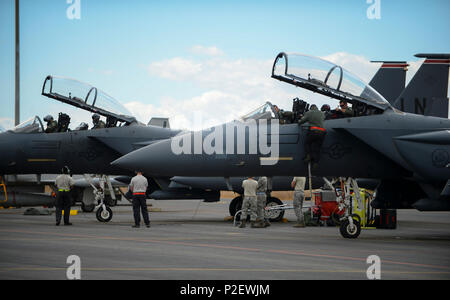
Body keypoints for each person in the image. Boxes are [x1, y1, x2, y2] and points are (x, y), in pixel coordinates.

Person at [298, 104, 326, 169]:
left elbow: (302, 121)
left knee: (307, 143)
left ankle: (308, 156)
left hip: (313, 131)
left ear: (311, 108)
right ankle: (316, 162)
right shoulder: (322, 113)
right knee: (317, 148)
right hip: (322, 132)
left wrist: (299, 121)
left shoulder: (309, 112)